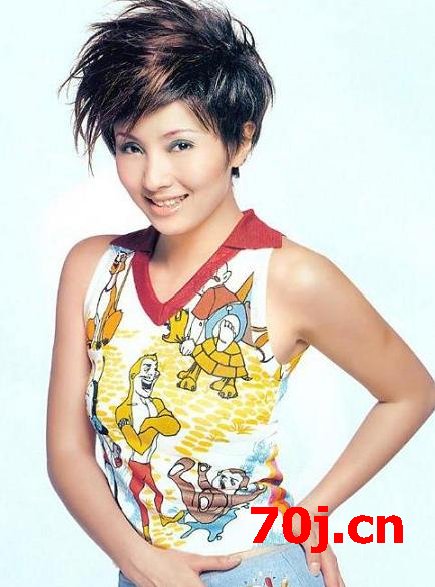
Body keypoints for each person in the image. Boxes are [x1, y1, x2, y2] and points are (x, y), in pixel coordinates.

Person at [46, 1, 435, 586]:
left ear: (240, 141)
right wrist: (138, 559)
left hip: (259, 571)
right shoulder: (93, 268)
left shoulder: (289, 275)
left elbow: (410, 393)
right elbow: (67, 451)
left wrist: (309, 517)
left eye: (180, 144)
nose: (154, 177)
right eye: (131, 146)